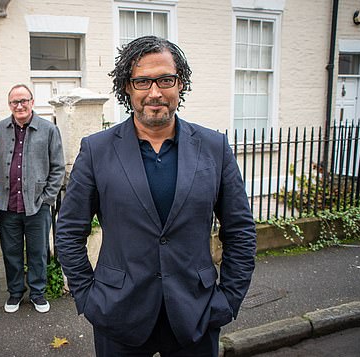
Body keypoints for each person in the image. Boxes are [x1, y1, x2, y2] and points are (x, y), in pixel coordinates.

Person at [55, 36, 257, 356]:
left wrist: (228, 300)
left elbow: (241, 231)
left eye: (165, 79)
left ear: (181, 84)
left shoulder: (214, 148)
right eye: (142, 81)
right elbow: (68, 231)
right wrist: (88, 298)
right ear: (127, 87)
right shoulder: (97, 150)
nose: (154, 92)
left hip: (196, 314)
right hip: (117, 313)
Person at [0, 84, 65, 314]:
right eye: (15, 102)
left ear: (32, 102)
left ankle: (37, 293)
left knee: (38, 252)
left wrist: (47, 199)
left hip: (37, 205)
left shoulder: (48, 129)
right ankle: (15, 293)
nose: (19, 105)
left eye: (24, 100)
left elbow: (58, 167)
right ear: (9, 105)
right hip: (7, 205)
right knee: (11, 252)